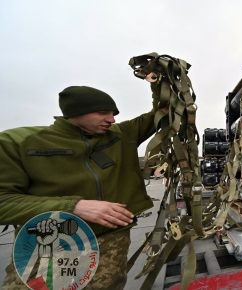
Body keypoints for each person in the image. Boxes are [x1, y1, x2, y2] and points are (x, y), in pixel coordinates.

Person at [0, 86, 157, 289]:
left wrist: (158, 78)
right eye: (103, 113)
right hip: (47, 245)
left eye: (113, 113)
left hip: (110, 242)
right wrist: (74, 207)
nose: (112, 119)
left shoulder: (120, 135)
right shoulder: (18, 143)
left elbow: (165, 112)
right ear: (74, 113)